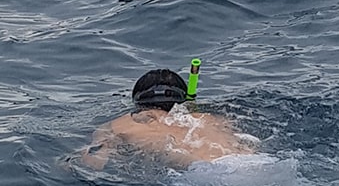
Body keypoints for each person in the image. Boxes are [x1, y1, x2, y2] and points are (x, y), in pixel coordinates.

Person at [77, 68, 257, 171]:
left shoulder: (119, 125)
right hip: (254, 165)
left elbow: (93, 164)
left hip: (206, 174)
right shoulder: (212, 118)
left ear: (138, 100)